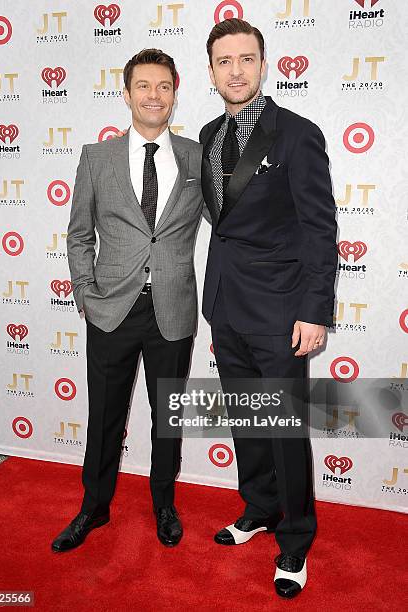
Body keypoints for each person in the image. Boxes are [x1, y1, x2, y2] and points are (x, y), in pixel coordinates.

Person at [199, 19, 338, 598]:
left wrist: (314, 311)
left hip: (283, 312)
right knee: (249, 421)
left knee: (284, 431)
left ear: (264, 64)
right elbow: (223, 226)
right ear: (211, 72)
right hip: (227, 306)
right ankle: (258, 509)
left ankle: (296, 542)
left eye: (247, 59)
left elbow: (319, 229)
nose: (236, 70)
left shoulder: (297, 134)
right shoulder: (207, 134)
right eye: (225, 61)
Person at [51, 48, 206, 552]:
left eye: (163, 86)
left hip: (173, 308)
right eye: (143, 86)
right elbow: (78, 235)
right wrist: (86, 296)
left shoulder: (196, 158)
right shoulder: (96, 158)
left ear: (175, 93)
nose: (153, 95)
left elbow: (227, 226)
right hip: (111, 309)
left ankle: (164, 504)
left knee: (168, 416)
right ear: (126, 93)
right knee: (105, 416)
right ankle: (94, 508)